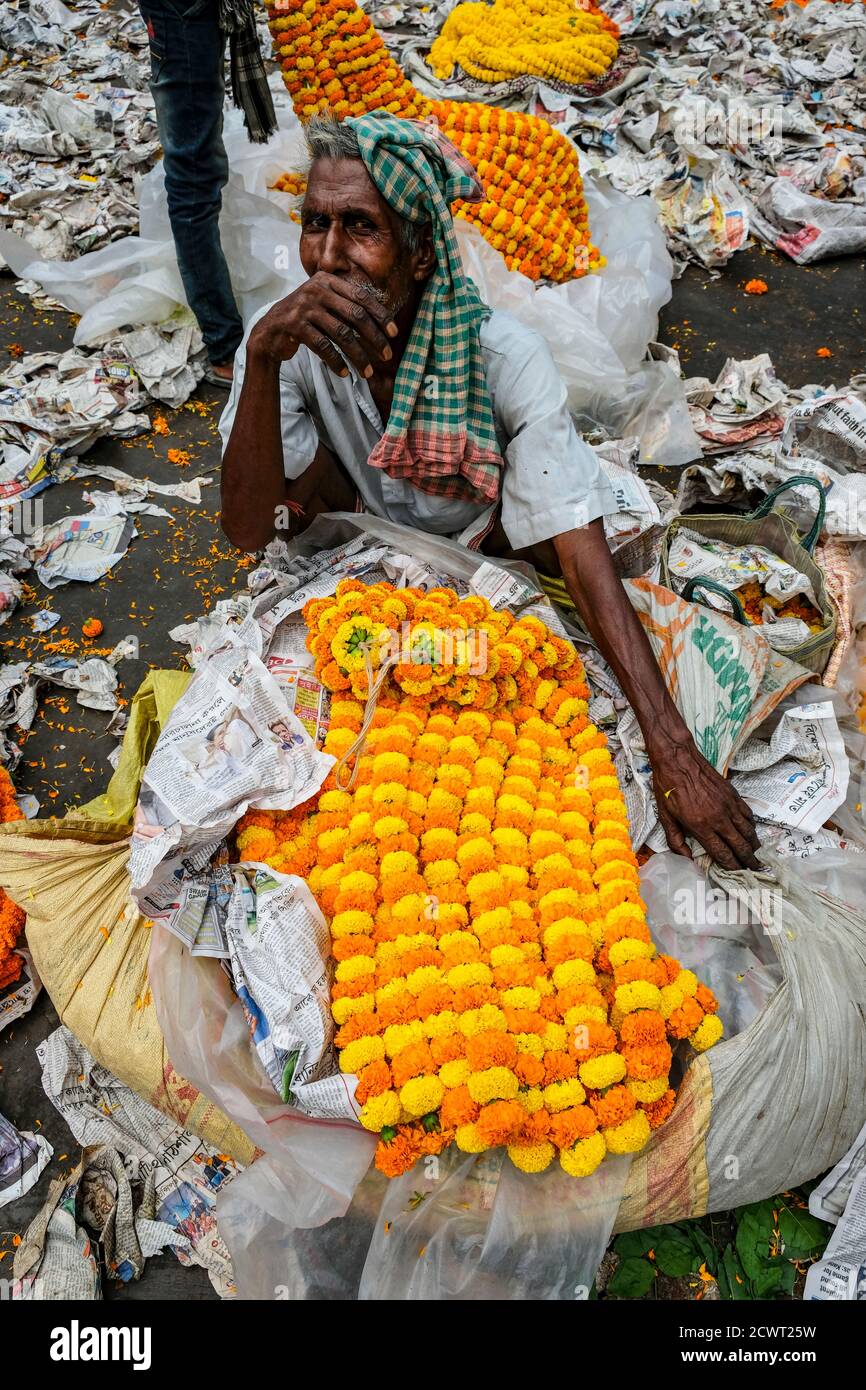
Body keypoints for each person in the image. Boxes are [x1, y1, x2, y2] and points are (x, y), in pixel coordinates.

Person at [219, 112, 761, 871]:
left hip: (482, 555)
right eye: (315, 224)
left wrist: (673, 752)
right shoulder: (289, 342)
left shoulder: (503, 357)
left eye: (361, 228)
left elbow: (578, 550)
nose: (328, 257)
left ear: (419, 252)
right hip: (365, 568)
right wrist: (265, 360)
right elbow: (248, 529)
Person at [137, 0, 276, 385]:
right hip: (181, 13)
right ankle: (225, 346)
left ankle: (223, 333)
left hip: (192, 11)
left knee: (202, 164)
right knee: (195, 176)